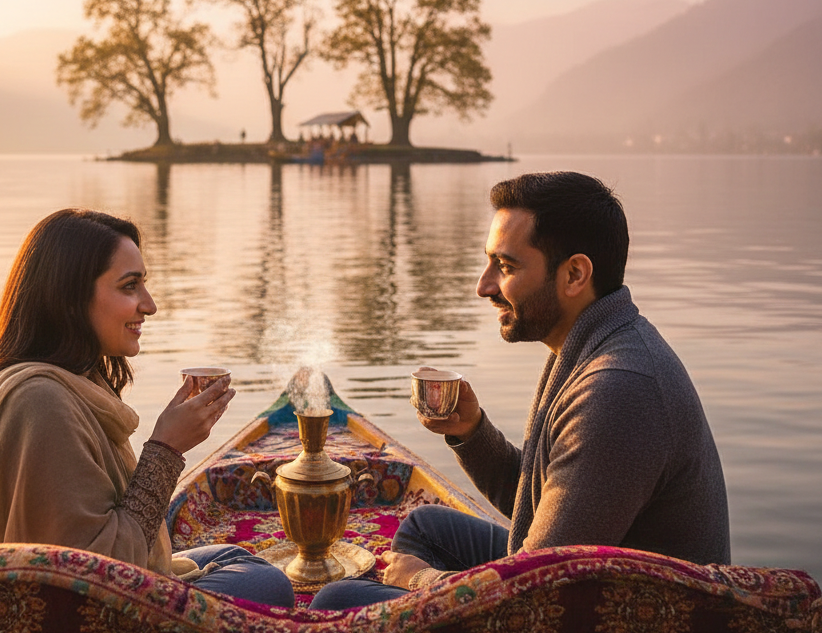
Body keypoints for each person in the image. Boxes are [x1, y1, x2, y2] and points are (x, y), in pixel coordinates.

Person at [311, 171, 730, 609]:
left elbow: (532, 595)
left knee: (336, 600)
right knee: (425, 528)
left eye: (505, 267)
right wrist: (471, 433)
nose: (484, 285)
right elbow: (542, 506)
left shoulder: (618, 389)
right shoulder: (589, 346)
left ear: (574, 274)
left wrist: (424, 582)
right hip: (581, 583)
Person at [0, 208, 294, 607]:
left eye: (144, 285)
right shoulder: (41, 403)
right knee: (267, 583)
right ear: (71, 300)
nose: (149, 305)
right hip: (92, 630)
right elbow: (99, 579)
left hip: (105, 592)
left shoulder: (66, 382)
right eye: (129, 287)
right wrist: (166, 450)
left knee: (235, 557)